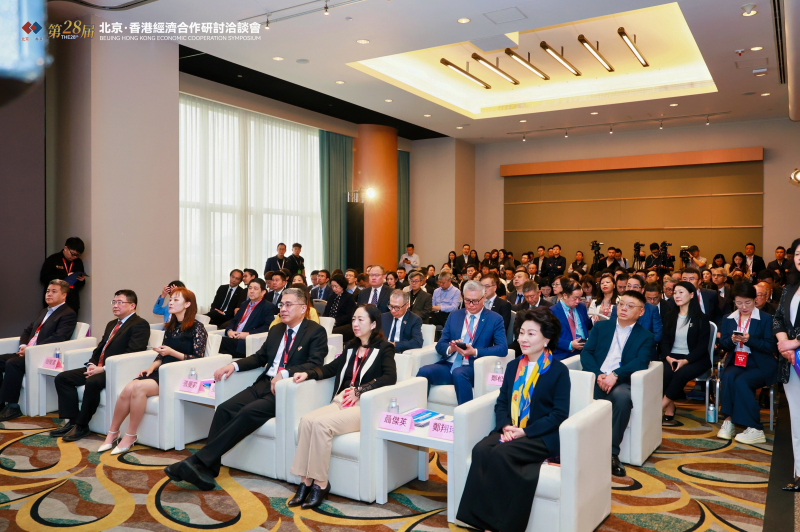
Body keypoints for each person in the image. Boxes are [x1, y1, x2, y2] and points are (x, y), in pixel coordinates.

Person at [166, 288, 326, 491]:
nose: (283, 309)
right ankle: (207, 470)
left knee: (248, 412)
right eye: (281, 305)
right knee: (224, 409)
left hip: (286, 390)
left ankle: (196, 461)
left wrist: (285, 373)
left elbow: (315, 363)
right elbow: (260, 357)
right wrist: (234, 366)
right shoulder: (277, 329)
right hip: (263, 383)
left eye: (288, 305)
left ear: (303, 308)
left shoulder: (315, 331)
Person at [456, 308, 569, 532]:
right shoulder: (513, 366)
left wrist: (524, 432)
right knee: (481, 450)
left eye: (531, 334)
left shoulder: (558, 371)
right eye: (522, 333)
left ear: (547, 338)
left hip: (540, 435)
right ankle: (477, 520)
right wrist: (506, 426)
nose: (523, 339)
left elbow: (559, 414)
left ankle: (499, 525)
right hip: (511, 428)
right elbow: (502, 402)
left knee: (501, 454)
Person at [287, 304, 396, 508]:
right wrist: (308, 374)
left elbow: (390, 377)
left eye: (360, 320)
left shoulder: (384, 348)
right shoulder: (351, 347)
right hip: (342, 400)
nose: (355, 323)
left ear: (373, 324)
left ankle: (321, 484)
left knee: (321, 425)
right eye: (353, 319)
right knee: (307, 421)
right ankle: (305, 482)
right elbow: (331, 368)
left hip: (363, 407)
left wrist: (360, 390)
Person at [99, 288, 207, 454]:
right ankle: (112, 433)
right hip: (162, 369)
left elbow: (198, 358)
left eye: (176, 300)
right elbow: (161, 354)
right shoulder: (171, 326)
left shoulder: (197, 328)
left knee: (139, 388)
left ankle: (130, 435)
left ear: (187, 304)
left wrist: (172, 352)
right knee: (128, 388)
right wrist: (150, 369)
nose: (170, 303)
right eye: (171, 299)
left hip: (179, 373)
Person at [51, 289, 150, 441]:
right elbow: (101, 348)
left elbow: (133, 353)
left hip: (117, 370)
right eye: (114, 302)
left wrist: (103, 369)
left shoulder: (140, 324)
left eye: (120, 302)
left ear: (132, 306)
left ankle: (82, 425)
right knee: (62, 378)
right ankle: (72, 421)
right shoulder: (112, 324)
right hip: (99, 367)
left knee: (92, 382)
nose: (115, 305)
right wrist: (92, 364)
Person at [581, 290, 653, 477]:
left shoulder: (645, 336)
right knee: (573, 391)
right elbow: (586, 353)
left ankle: (611, 454)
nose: (624, 309)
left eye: (630, 306)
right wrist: (598, 374)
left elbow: (641, 362)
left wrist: (616, 375)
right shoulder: (601, 327)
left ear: (641, 311)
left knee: (622, 398)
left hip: (620, 382)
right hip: (596, 378)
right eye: (621, 304)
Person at [417, 280, 508, 405]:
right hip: (449, 364)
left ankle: (466, 415)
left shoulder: (494, 319)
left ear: (484, 297)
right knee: (424, 371)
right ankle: (418, 411)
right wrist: (451, 348)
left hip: (473, 367)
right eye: (467, 300)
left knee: (459, 373)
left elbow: (502, 348)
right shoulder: (454, 316)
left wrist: (474, 351)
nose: (471, 304)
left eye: (475, 301)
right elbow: (440, 344)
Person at [0, 280, 77, 421]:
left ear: (64, 295)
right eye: (48, 291)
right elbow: (27, 331)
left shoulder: (68, 314)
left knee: (12, 363)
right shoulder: (44, 311)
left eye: (54, 291)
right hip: (28, 351)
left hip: (41, 355)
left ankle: (13, 407)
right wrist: (23, 346)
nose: (49, 294)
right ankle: (1, 403)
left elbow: (59, 337)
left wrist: (32, 350)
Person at [715, 282, 777, 444]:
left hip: (760, 363)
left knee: (742, 381)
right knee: (728, 377)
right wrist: (732, 340)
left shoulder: (765, 319)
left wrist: (750, 340)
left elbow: (770, 346)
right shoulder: (729, 319)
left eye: (747, 302)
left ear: (755, 300)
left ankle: (755, 427)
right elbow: (723, 345)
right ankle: (728, 420)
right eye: (739, 303)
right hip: (738, 360)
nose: (743, 307)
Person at [660, 282, 711, 424]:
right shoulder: (669, 315)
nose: (677, 295)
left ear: (692, 294)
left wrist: (685, 361)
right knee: (662, 372)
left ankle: (659, 407)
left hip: (695, 358)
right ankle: (670, 406)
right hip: (672, 356)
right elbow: (664, 341)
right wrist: (668, 357)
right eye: (675, 292)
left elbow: (702, 347)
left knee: (680, 373)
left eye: (681, 292)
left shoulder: (702, 318)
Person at [774, 239, 800, 491]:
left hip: (795, 350)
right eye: (799, 253)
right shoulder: (789, 288)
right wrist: (785, 345)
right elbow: (778, 319)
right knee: (797, 417)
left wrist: (796, 342)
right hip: (791, 363)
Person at [219, 279, 276, 358]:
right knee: (221, 352)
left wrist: (248, 334)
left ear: (263, 292)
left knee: (217, 341)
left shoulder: (267, 306)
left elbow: (268, 326)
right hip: (234, 338)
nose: (251, 291)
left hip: (246, 342)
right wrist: (229, 331)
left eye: (255, 289)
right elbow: (234, 320)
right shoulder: (244, 304)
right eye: (250, 288)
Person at [610, 275, 662, 359]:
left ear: (642, 290)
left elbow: (657, 335)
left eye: (635, 287)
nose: (631, 289)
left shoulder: (652, 309)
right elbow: (612, 330)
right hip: (619, 352)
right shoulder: (617, 308)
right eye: (629, 286)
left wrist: (638, 345)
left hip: (644, 353)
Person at [39, 237, 87, 314]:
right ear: (65, 248)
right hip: (54, 302)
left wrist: (81, 280)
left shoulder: (78, 262)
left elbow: (80, 285)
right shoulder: (53, 259)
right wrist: (64, 276)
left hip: (71, 302)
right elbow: (43, 278)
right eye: (73, 254)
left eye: (77, 255)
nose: (74, 257)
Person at [550, 280, 592, 360]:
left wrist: (592, 320)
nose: (578, 301)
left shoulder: (581, 306)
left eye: (579, 298)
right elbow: (550, 338)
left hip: (583, 351)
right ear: (565, 295)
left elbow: (585, 326)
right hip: (563, 353)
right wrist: (570, 344)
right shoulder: (552, 311)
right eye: (575, 298)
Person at [510, 281, 552, 357]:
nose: (529, 299)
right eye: (526, 297)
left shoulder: (549, 307)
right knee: (509, 351)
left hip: (540, 341)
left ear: (539, 293)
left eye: (532, 296)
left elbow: (550, 329)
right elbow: (517, 327)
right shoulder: (521, 307)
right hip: (523, 340)